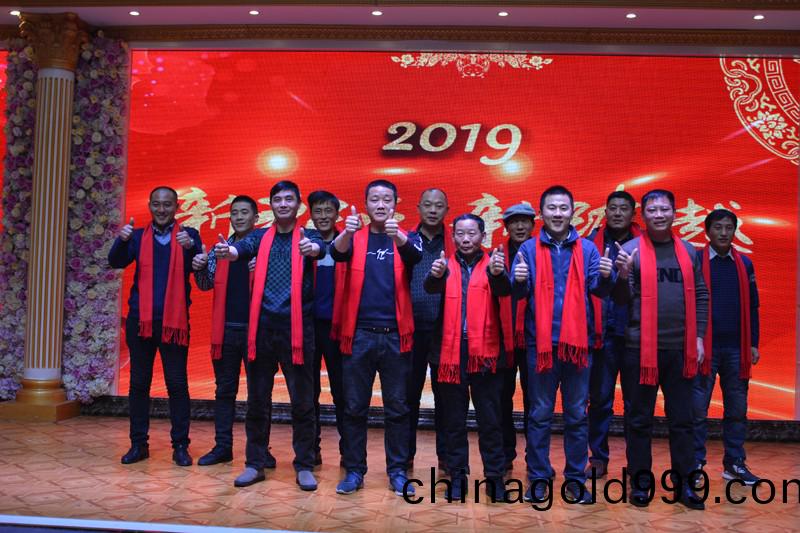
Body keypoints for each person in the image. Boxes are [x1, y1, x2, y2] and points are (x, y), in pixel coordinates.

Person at [214, 181, 325, 491]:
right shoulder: (260, 236)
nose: (283, 204)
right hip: (261, 329)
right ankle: (255, 463)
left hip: (297, 331)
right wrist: (229, 251)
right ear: (271, 205)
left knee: (302, 402)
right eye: (278, 199)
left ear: (298, 205)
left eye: (289, 199)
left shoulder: (309, 236)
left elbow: (321, 249)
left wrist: (313, 250)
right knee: (257, 401)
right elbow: (240, 249)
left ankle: (304, 465)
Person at [511, 185, 614, 504]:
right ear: (542, 213)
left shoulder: (588, 250)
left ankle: (575, 480)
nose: (557, 213)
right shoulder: (528, 249)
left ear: (572, 212)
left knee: (576, 415)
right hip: (540, 347)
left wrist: (607, 276)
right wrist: (517, 281)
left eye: (563, 208)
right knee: (539, 415)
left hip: (577, 346)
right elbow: (518, 294)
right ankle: (538, 478)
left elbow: (599, 290)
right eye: (551, 208)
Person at [612, 189, 709, 510]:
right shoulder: (630, 250)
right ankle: (640, 484)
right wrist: (622, 275)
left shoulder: (689, 251)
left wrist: (698, 338)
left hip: (681, 350)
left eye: (664, 209)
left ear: (674, 213)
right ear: (643, 215)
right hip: (639, 350)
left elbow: (701, 295)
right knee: (639, 421)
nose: (658, 215)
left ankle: (685, 485)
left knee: (683, 421)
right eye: (652, 210)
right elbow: (620, 300)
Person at [330, 179, 423, 497]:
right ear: (366, 204)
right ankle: (354, 471)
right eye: (374, 199)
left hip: (396, 336)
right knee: (355, 407)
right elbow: (336, 253)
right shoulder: (355, 237)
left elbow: (415, 257)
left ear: (395, 204)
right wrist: (347, 232)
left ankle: (397, 471)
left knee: (397, 408)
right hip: (359, 336)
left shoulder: (406, 237)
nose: (380, 205)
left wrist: (398, 236)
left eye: (386, 199)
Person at [108, 186, 202, 467]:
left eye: (167, 204)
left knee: (177, 385)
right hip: (141, 322)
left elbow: (200, 269)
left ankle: (180, 446)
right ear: (150, 206)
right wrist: (121, 240)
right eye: (157, 204)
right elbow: (115, 261)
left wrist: (192, 248)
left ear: (176, 207)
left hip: (174, 323)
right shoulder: (137, 237)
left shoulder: (189, 236)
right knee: (138, 384)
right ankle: (138, 444)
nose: (162, 210)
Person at [424, 214, 512, 502]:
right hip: (451, 353)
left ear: (482, 237)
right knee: (453, 420)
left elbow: (505, 290)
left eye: (471, 233)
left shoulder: (494, 264)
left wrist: (498, 274)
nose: (465, 239)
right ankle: (458, 477)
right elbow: (430, 287)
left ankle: (495, 478)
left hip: (486, 353)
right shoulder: (444, 265)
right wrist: (435, 275)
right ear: (453, 237)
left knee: (491, 420)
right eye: (460, 233)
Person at [192, 195, 275, 468]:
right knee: (224, 391)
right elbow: (205, 284)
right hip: (226, 332)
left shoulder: (265, 249)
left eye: (244, 213)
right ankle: (222, 447)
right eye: (234, 213)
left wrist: (263, 268)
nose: (239, 217)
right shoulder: (220, 249)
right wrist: (199, 267)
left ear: (256, 218)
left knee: (259, 394)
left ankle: (260, 450)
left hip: (257, 332)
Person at [692, 209, 760, 485]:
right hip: (703, 350)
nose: (723, 233)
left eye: (728, 228)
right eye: (718, 227)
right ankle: (695, 463)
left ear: (735, 231)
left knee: (737, 410)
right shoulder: (696, 260)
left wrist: (753, 343)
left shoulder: (744, 264)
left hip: (736, 349)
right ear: (707, 231)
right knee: (697, 410)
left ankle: (734, 463)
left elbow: (753, 306)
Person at [586, 190, 640, 478]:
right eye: (613, 208)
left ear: (633, 213)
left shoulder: (645, 246)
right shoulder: (590, 244)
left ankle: (636, 461)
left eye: (624, 208)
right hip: (601, 335)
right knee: (599, 401)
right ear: (605, 212)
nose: (618, 213)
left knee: (635, 403)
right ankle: (598, 457)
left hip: (634, 335)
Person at [408, 188, 451, 471]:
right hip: (410, 329)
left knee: (446, 398)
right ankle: (404, 457)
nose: (433, 210)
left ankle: (447, 458)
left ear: (447, 210)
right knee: (407, 396)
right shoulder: (406, 241)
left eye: (439, 206)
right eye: (428, 205)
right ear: (419, 208)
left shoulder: (456, 242)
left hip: (445, 330)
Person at [307, 190, 347, 466]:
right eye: (318, 211)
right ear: (311, 215)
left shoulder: (347, 244)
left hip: (339, 329)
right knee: (308, 392)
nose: (323, 216)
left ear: (337, 214)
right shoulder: (302, 244)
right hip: (308, 327)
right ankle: (311, 449)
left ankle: (348, 451)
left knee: (342, 392)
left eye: (328, 211)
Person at [498, 203, 536, 473]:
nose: (520, 226)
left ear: (533, 225)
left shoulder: (542, 253)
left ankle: (535, 457)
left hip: (535, 337)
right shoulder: (496, 256)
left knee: (535, 401)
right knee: (502, 398)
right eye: (514, 222)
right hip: (502, 338)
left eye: (525, 221)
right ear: (506, 227)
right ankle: (505, 454)